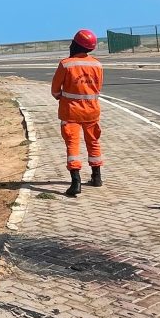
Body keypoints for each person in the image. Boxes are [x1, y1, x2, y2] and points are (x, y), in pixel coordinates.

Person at [51, 30, 104, 197]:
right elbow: (98, 88)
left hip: (71, 112)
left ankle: (76, 182)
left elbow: (54, 90)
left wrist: (62, 97)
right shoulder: (97, 64)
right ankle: (97, 177)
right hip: (92, 111)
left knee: (72, 145)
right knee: (93, 142)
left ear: (76, 44)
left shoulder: (66, 64)